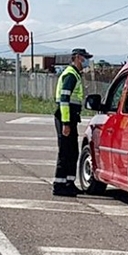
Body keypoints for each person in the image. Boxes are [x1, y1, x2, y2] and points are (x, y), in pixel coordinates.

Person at [52, 48, 92, 196]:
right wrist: (66, 123)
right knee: (65, 152)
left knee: (72, 152)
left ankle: (69, 182)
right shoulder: (71, 75)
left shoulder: (75, 74)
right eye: (84, 58)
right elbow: (64, 101)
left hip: (70, 118)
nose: (86, 61)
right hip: (65, 118)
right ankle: (59, 185)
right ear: (77, 58)